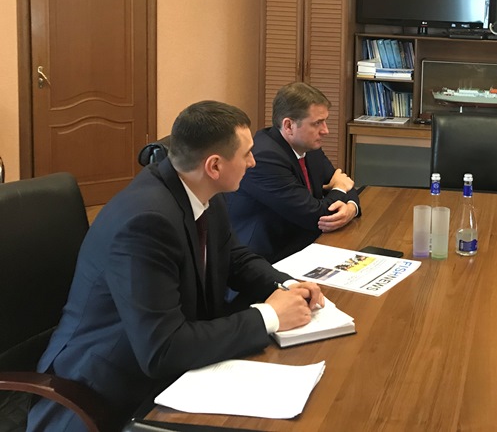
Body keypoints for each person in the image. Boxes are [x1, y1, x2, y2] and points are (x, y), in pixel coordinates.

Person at [28, 101, 325, 431]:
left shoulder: (202, 190)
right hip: (106, 391)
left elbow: (234, 258)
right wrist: (269, 316)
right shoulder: (145, 222)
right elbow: (163, 350)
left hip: (171, 364)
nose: (253, 162)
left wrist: (285, 286)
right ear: (214, 165)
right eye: (246, 154)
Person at [226, 82, 360, 263]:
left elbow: (344, 183)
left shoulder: (308, 147)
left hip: (302, 243)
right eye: (317, 123)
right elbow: (317, 216)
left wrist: (351, 208)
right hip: (265, 258)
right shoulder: (265, 158)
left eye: (325, 121)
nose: (325, 130)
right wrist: (340, 188)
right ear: (288, 125)